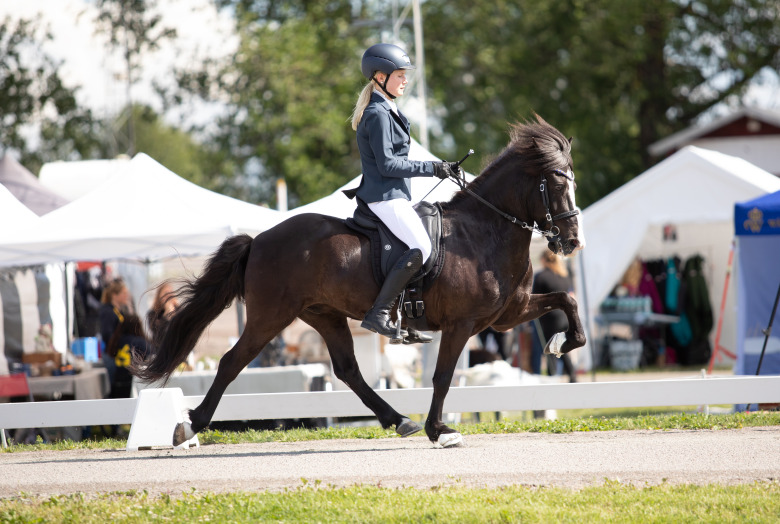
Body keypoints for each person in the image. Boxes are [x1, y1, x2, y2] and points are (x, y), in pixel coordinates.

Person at [351, 42, 461, 339]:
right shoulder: (377, 113)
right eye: (399, 75)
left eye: (404, 75)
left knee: (416, 248)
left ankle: (406, 318)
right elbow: (388, 165)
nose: (405, 80)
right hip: (384, 197)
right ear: (380, 77)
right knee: (422, 247)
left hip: (394, 195)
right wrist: (433, 168)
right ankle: (379, 314)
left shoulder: (389, 110)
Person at [531, 251, 577, 382]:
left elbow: (534, 299)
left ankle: (552, 377)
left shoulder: (541, 277)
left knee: (551, 348)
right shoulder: (564, 276)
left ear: (544, 260)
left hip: (549, 318)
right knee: (560, 347)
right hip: (564, 317)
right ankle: (571, 374)